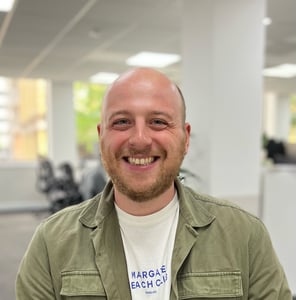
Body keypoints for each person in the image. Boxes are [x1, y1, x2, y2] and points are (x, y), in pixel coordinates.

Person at [16, 68, 292, 299]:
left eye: (158, 122)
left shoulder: (244, 236)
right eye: (122, 122)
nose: (139, 139)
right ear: (101, 138)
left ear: (185, 139)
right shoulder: (51, 244)